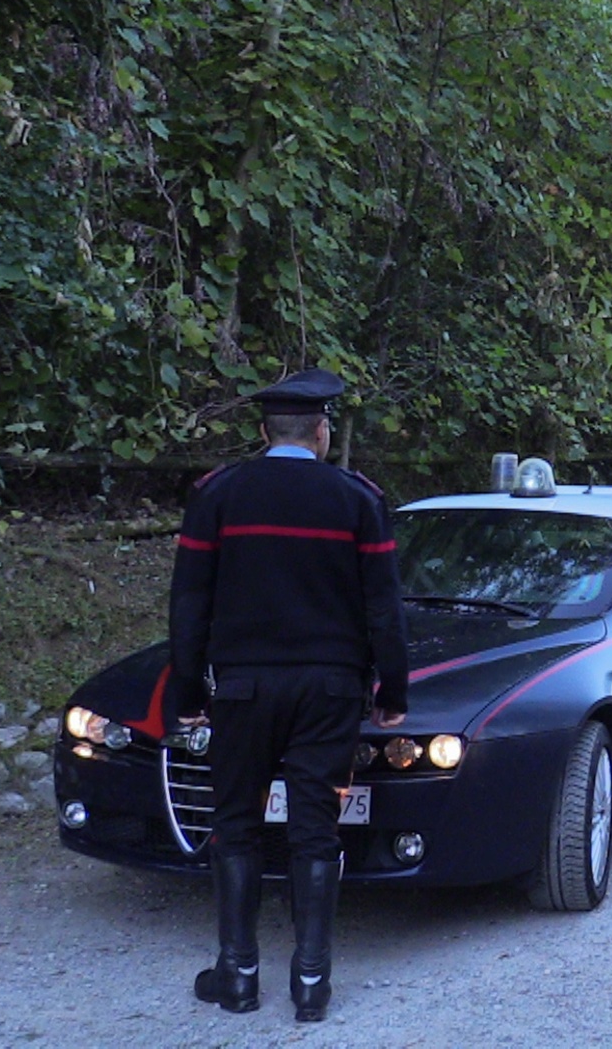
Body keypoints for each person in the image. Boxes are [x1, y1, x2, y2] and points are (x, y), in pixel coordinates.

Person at [170, 368, 410, 1023]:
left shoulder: (218, 495)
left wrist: (187, 692)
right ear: (321, 431)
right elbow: (383, 607)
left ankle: (238, 974)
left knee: (236, 825)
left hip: (242, 687)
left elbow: (189, 604)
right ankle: (310, 982)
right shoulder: (357, 499)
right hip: (330, 689)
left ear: (263, 431)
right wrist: (393, 687)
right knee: (314, 828)